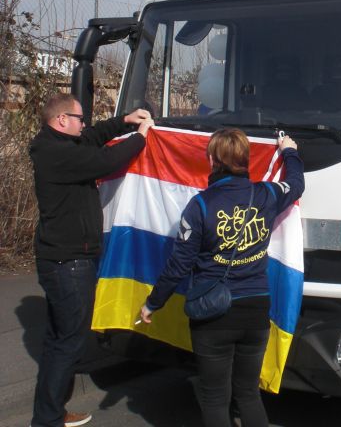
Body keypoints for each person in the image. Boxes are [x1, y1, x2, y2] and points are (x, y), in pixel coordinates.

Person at [139, 128, 304, 427]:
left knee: (215, 397)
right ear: (245, 158)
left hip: (213, 315)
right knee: (248, 394)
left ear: (212, 160)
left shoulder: (200, 205)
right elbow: (296, 184)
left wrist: (153, 303)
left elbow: (179, 265)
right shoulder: (267, 194)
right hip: (256, 310)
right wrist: (289, 151)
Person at [30, 93, 154, 427]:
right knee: (67, 344)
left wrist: (124, 121)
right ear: (61, 120)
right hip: (68, 263)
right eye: (80, 118)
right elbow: (106, 161)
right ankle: (47, 419)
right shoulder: (57, 154)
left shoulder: (60, 143)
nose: (84, 124)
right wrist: (140, 137)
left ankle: (51, 411)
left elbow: (94, 137)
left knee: (59, 341)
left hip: (65, 261)